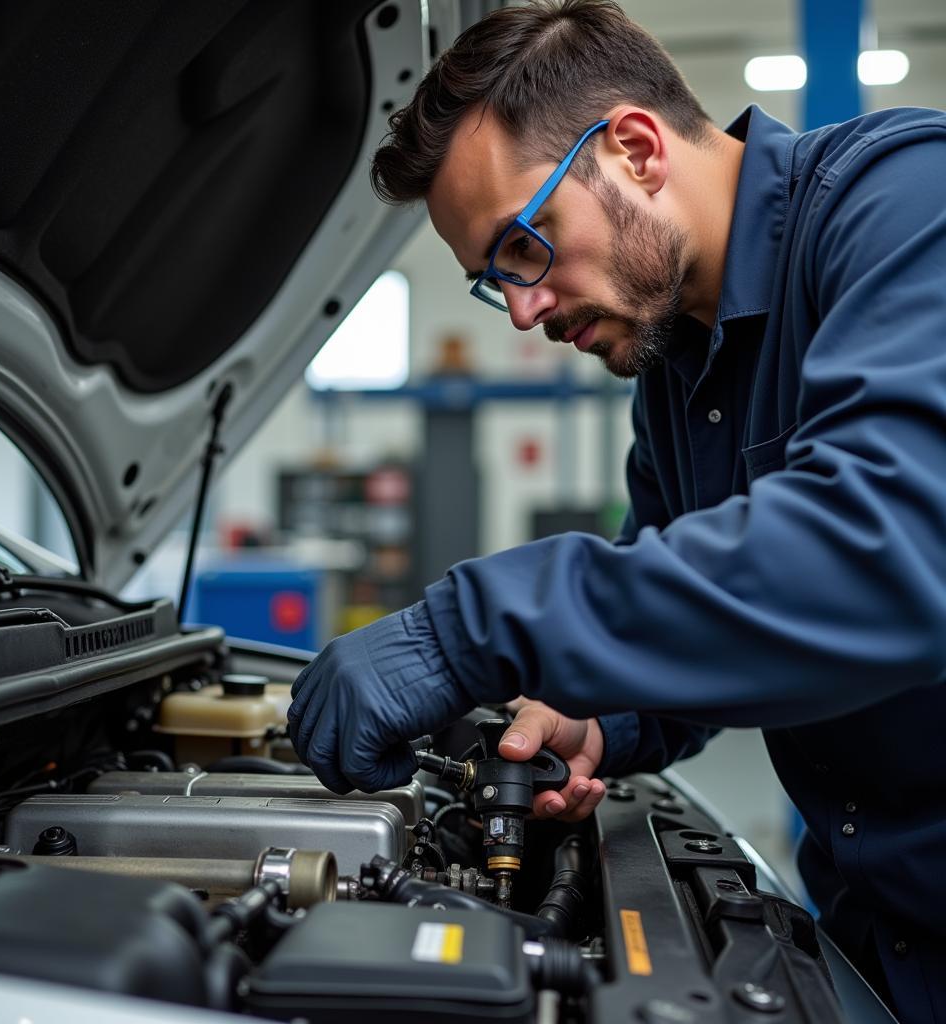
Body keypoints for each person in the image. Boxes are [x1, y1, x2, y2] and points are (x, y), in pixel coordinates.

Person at [288, 1, 946, 1017]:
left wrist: (468, 629)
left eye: (524, 245)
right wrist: (601, 716)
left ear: (635, 149)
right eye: (488, 281)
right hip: (884, 938)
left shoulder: (906, 204)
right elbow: (706, 619)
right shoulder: (676, 371)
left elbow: (888, 552)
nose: (521, 308)